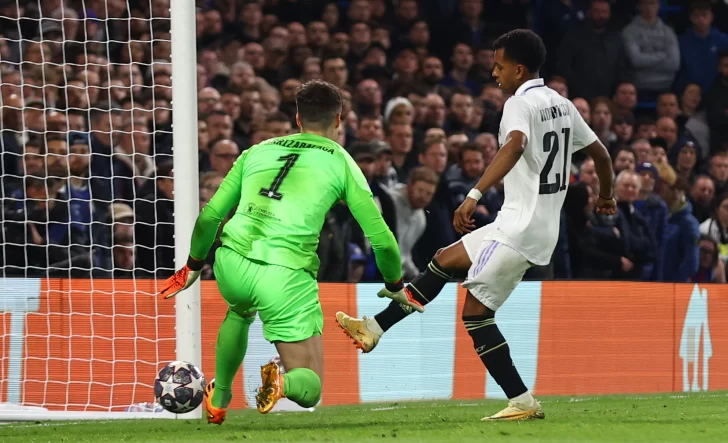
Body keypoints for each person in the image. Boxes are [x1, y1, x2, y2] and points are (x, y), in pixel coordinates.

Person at [336, 30, 616, 421]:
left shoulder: (518, 104)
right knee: (445, 259)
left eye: (499, 66)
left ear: (519, 69)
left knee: (476, 315)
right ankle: (375, 329)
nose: (494, 73)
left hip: (520, 229)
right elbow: (601, 155)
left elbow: (515, 144)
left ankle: (521, 401)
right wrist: (606, 196)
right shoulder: (562, 104)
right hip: (527, 223)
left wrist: (474, 193)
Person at [158, 80, 408, 424]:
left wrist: (193, 266)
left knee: (239, 312)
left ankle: (220, 397)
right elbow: (382, 240)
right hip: (284, 274)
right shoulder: (341, 161)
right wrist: (394, 285)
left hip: (231, 260)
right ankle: (281, 382)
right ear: (338, 120)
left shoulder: (257, 151)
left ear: (298, 118)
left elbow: (211, 217)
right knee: (311, 387)